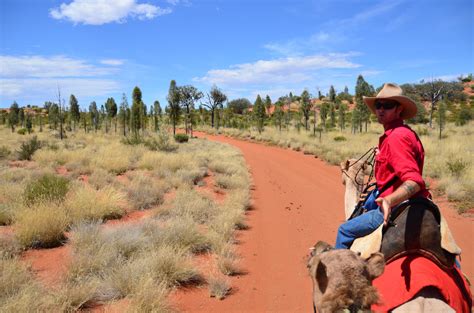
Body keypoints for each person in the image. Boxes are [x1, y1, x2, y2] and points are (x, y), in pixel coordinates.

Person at [335, 83, 431, 249]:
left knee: (344, 231)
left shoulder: (396, 138)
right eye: (378, 105)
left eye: (387, 105)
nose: (381, 109)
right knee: (368, 202)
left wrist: (388, 200)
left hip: (396, 205)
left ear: (399, 109)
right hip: (419, 201)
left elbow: (414, 181)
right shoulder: (403, 132)